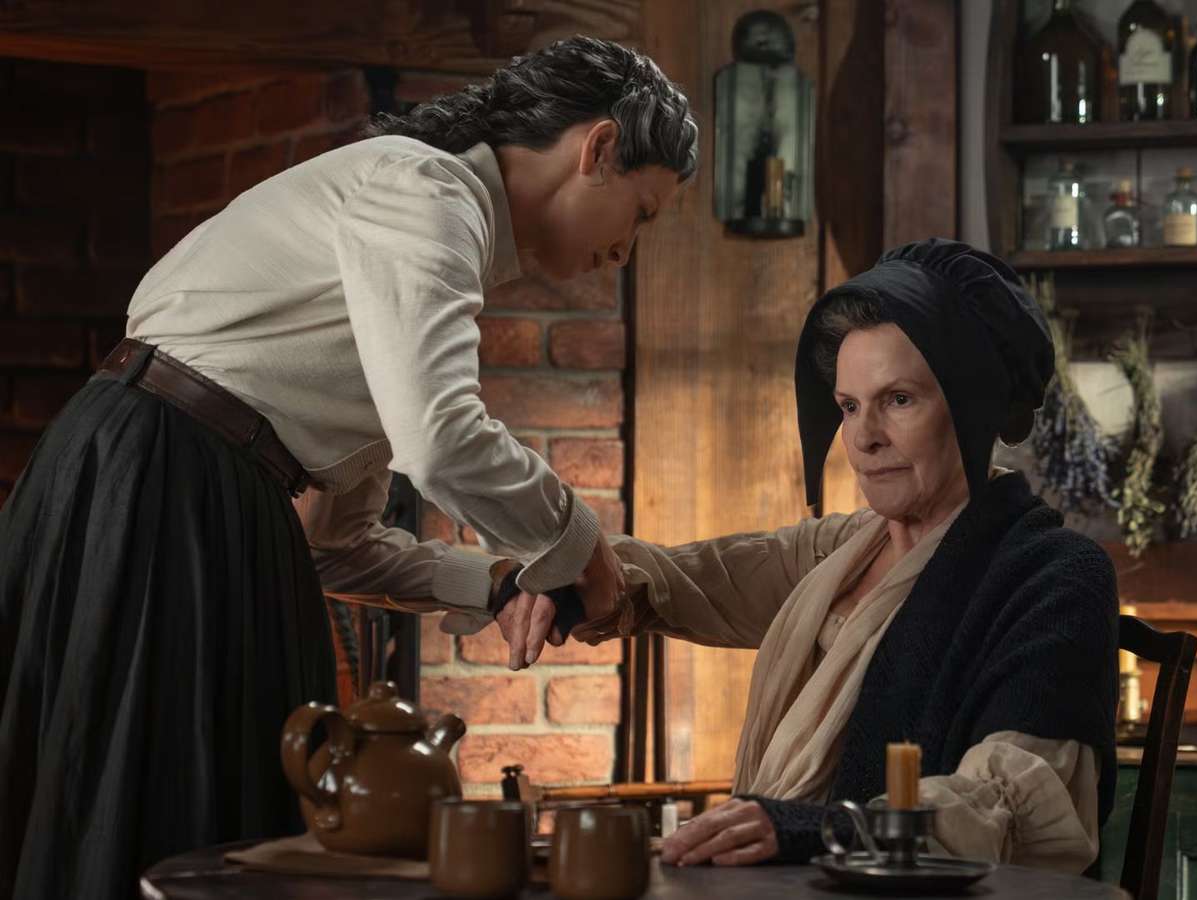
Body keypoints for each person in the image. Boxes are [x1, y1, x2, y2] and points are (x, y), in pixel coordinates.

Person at [0, 36, 697, 900]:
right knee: (158, 816)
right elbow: (441, 439)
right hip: (162, 485)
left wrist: (498, 582)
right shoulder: (426, 190)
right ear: (598, 148)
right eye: (642, 214)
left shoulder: (418, 232)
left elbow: (337, 546)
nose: (626, 252)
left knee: (173, 816)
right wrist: (577, 543)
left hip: (186, 485)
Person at [505, 238, 1118, 872]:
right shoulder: (842, 552)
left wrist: (819, 830)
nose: (864, 437)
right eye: (849, 406)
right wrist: (564, 575)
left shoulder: (1053, 576)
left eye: (899, 400)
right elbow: (683, 580)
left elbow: (1009, 803)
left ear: (974, 407)